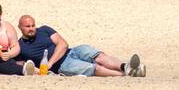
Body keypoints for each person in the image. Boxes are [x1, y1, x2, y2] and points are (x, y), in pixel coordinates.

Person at [15, 15, 145, 77]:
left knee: (98, 55)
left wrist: (49, 62)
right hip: (62, 66)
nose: (32, 28)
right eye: (27, 26)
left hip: (72, 51)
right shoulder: (20, 46)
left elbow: (63, 44)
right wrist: (46, 69)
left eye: (33, 25)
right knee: (94, 68)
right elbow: (23, 65)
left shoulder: (44, 29)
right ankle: (126, 74)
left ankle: (125, 66)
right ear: (20, 27)